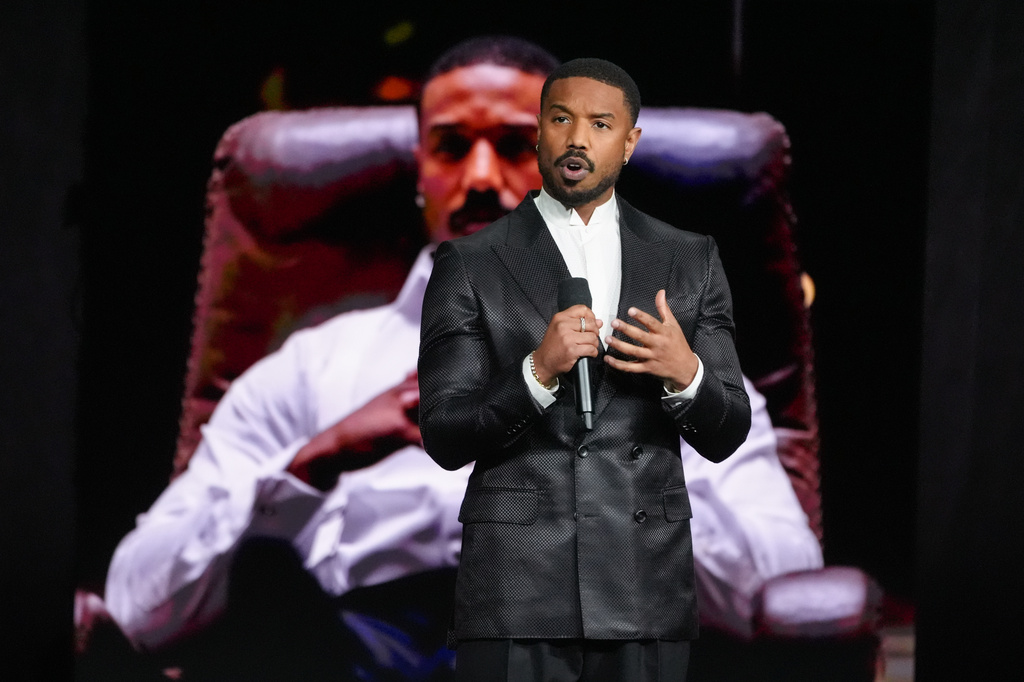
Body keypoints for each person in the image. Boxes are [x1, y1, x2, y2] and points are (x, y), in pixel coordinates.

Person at [104, 40, 820, 680]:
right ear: (421, 171)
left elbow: (785, 588)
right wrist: (308, 468)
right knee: (267, 579)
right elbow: (134, 607)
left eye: (515, 145)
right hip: (353, 651)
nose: (479, 177)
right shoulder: (312, 370)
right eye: (450, 147)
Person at [417, 57, 764, 681]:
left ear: (628, 142)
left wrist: (685, 374)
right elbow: (444, 434)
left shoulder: (689, 260)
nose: (577, 138)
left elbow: (728, 431)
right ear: (540, 132)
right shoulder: (470, 264)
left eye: (600, 124)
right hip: (516, 591)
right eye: (560, 119)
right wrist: (535, 372)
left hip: (642, 583)